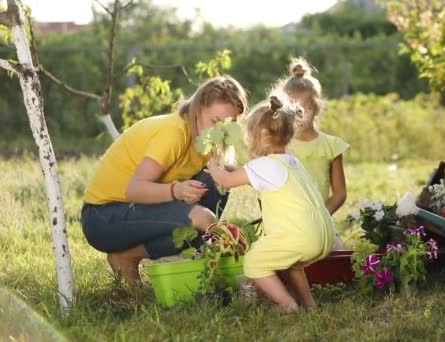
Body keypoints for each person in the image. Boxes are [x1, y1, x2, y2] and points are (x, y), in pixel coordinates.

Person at [80, 76, 248, 284]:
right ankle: (138, 257)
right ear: (198, 108)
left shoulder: (206, 139)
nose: (218, 131)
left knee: (216, 183)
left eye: (226, 125)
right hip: (103, 217)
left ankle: (131, 256)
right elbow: (134, 190)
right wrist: (176, 191)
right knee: (202, 218)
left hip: (136, 209)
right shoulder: (174, 133)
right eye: (214, 121)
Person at [206, 95, 335, 312]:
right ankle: (309, 305)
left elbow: (227, 181)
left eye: (249, 135)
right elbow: (243, 174)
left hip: (299, 238)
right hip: (323, 236)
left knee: (254, 262)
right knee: (292, 265)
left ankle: (287, 305)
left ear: (262, 137)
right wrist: (230, 170)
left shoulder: (264, 165)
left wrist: (212, 165)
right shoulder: (292, 162)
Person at [274, 57, 349, 249]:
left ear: (316, 106)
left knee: (336, 257)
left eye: (304, 108)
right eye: (293, 109)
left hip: (321, 223)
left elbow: (340, 193)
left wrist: (321, 214)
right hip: (288, 224)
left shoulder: (331, 146)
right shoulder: (280, 145)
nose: (298, 115)